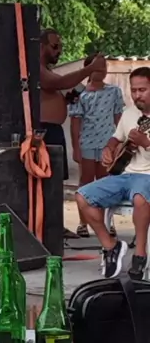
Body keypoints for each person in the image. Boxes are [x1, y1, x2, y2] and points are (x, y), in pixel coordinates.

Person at [75, 67, 150, 280]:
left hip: (148, 177)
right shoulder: (129, 113)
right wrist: (109, 149)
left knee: (140, 198)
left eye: (142, 90)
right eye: (134, 90)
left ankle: (140, 254)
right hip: (125, 174)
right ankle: (111, 246)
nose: (137, 95)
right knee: (83, 196)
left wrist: (146, 143)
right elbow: (116, 138)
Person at [40, 29, 106, 183]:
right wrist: (90, 68)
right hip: (44, 131)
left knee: (55, 181)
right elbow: (58, 82)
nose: (59, 51)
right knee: (48, 181)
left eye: (60, 47)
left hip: (54, 130)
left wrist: (66, 100)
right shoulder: (35, 68)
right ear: (41, 46)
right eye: (55, 46)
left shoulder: (47, 70)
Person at [70, 54, 124, 237]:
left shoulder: (114, 92)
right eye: (97, 68)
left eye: (104, 67)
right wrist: (76, 148)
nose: (101, 71)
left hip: (107, 143)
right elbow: (75, 122)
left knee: (105, 182)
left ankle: (108, 222)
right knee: (86, 182)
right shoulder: (80, 94)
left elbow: (119, 118)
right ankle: (83, 223)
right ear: (88, 70)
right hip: (86, 143)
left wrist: (120, 143)